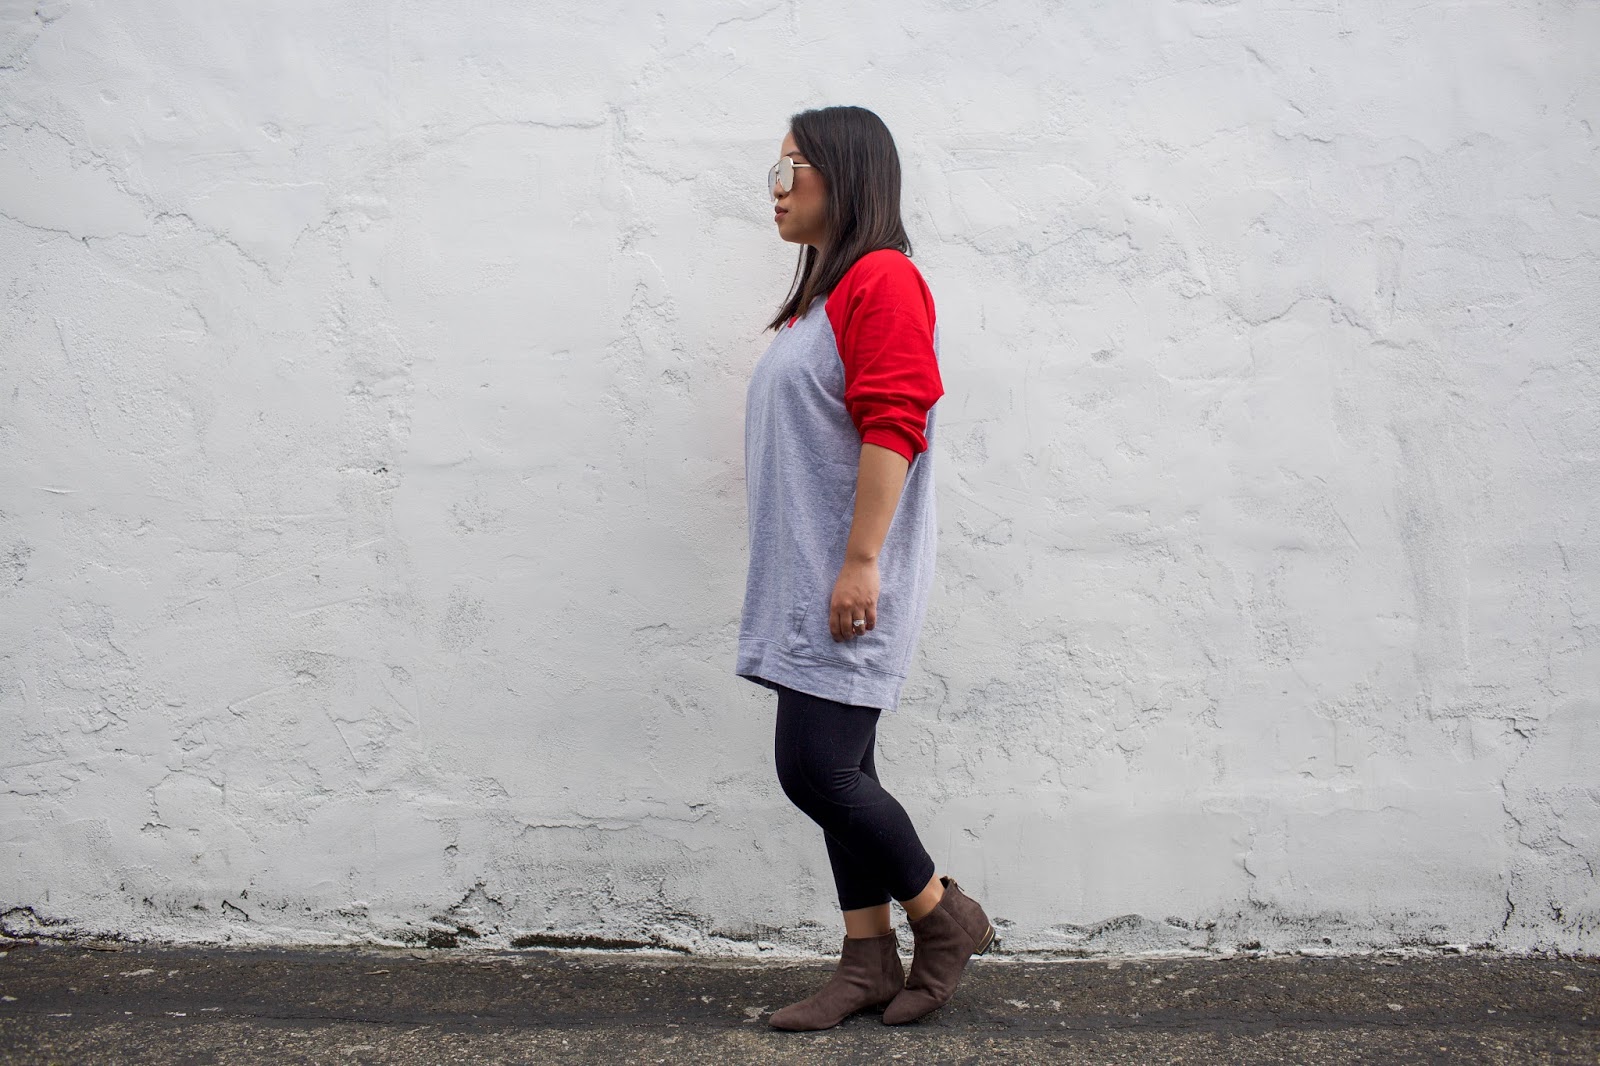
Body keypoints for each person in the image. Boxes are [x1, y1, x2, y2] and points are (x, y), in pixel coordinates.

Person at [735, 105, 996, 1032]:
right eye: (771, 173)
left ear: (843, 175)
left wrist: (859, 562)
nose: (775, 190)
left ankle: (943, 918)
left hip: (847, 580)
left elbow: (896, 422)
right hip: (809, 579)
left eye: (790, 170)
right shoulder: (825, 295)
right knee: (844, 771)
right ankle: (868, 961)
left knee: (814, 771)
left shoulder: (883, 278)